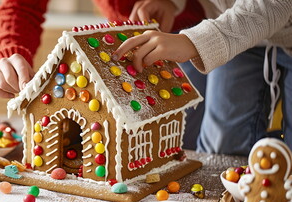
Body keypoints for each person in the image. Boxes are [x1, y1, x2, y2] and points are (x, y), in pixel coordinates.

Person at [0, 0, 206, 149]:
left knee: (208, 139)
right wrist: (10, 51)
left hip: (211, 25)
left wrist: (176, 2)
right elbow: (22, 7)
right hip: (123, 38)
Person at [113, 1, 292, 155]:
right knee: (221, 144)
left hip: (237, 27)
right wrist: (172, 2)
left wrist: (192, 42)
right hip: (233, 29)